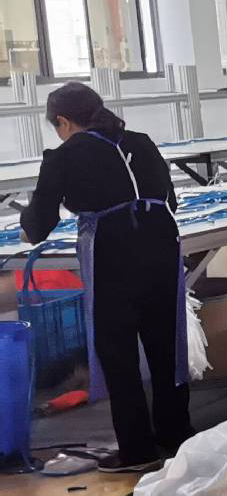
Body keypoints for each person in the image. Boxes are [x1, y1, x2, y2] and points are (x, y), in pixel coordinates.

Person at [21, 82, 191, 472]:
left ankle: (137, 450)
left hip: (114, 253)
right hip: (162, 244)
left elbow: (38, 224)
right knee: (165, 343)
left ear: (63, 121)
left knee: (118, 352)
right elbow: (170, 199)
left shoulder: (65, 155)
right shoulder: (141, 142)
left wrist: (27, 230)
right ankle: (176, 433)